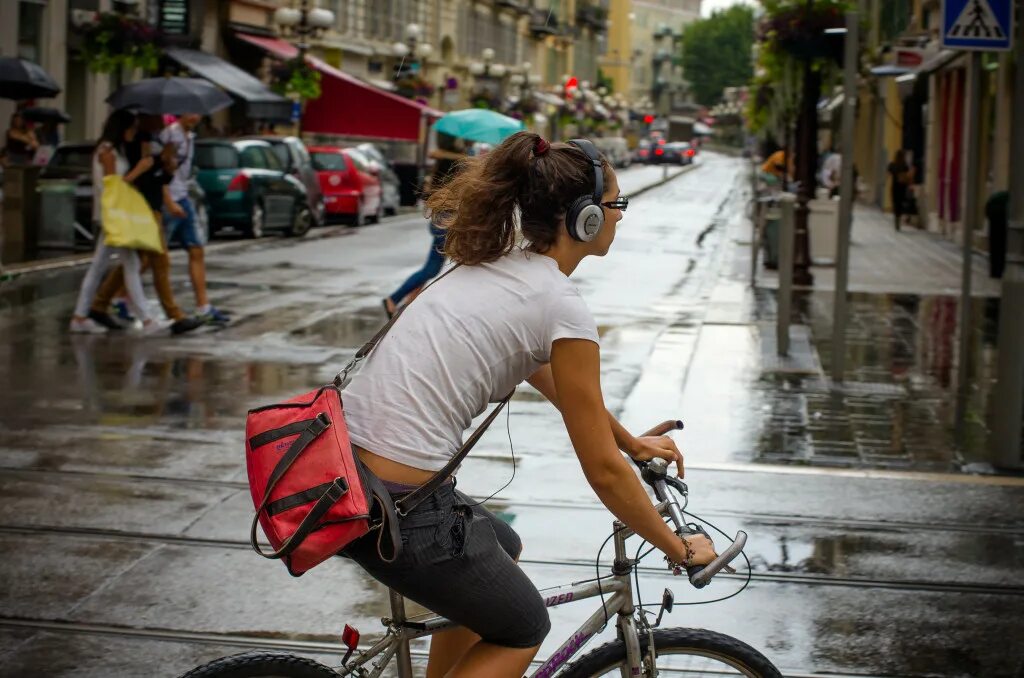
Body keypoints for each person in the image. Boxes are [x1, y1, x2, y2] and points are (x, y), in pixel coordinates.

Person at [341, 132, 719, 677]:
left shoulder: (496, 265)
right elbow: (604, 474)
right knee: (524, 626)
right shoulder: (559, 304)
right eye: (615, 205)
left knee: (503, 547)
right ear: (585, 219)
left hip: (349, 478)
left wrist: (629, 440)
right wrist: (678, 546)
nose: (620, 217)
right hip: (399, 507)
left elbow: (554, 383)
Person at [88, 114, 204, 335]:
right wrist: (153, 165)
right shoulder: (135, 142)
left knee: (137, 261)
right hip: (142, 207)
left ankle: (99, 304)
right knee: (159, 260)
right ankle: (174, 315)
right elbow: (135, 178)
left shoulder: (157, 140)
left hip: (152, 205)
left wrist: (168, 166)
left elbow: (159, 178)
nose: (162, 119)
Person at [69, 110, 163, 335]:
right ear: (123, 128)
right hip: (112, 216)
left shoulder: (110, 150)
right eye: (132, 127)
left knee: (103, 266)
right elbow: (113, 185)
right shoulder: (108, 151)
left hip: (110, 215)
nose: (134, 132)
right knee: (129, 265)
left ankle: (80, 317)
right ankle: (147, 320)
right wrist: (139, 169)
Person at [382, 145, 465, 318]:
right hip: (444, 225)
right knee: (433, 269)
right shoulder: (451, 185)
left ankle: (407, 303)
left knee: (432, 269)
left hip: (441, 224)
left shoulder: (440, 180)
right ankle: (395, 300)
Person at [160, 113, 229, 324]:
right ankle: (118, 299)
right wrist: (169, 202)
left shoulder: (189, 137)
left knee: (196, 249)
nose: (195, 117)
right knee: (152, 257)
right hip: (169, 200)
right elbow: (161, 170)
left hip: (183, 196)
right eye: (190, 113)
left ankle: (203, 306)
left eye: (198, 113)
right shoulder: (170, 135)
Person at [887, 149, 914, 231]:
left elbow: (888, 173)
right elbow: (908, 175)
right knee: (900, 203)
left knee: (895, 203)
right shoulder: (904, 165)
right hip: (902, 187)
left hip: (895, 187)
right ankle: (899, 217)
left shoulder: (892, 164)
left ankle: (896, 219)